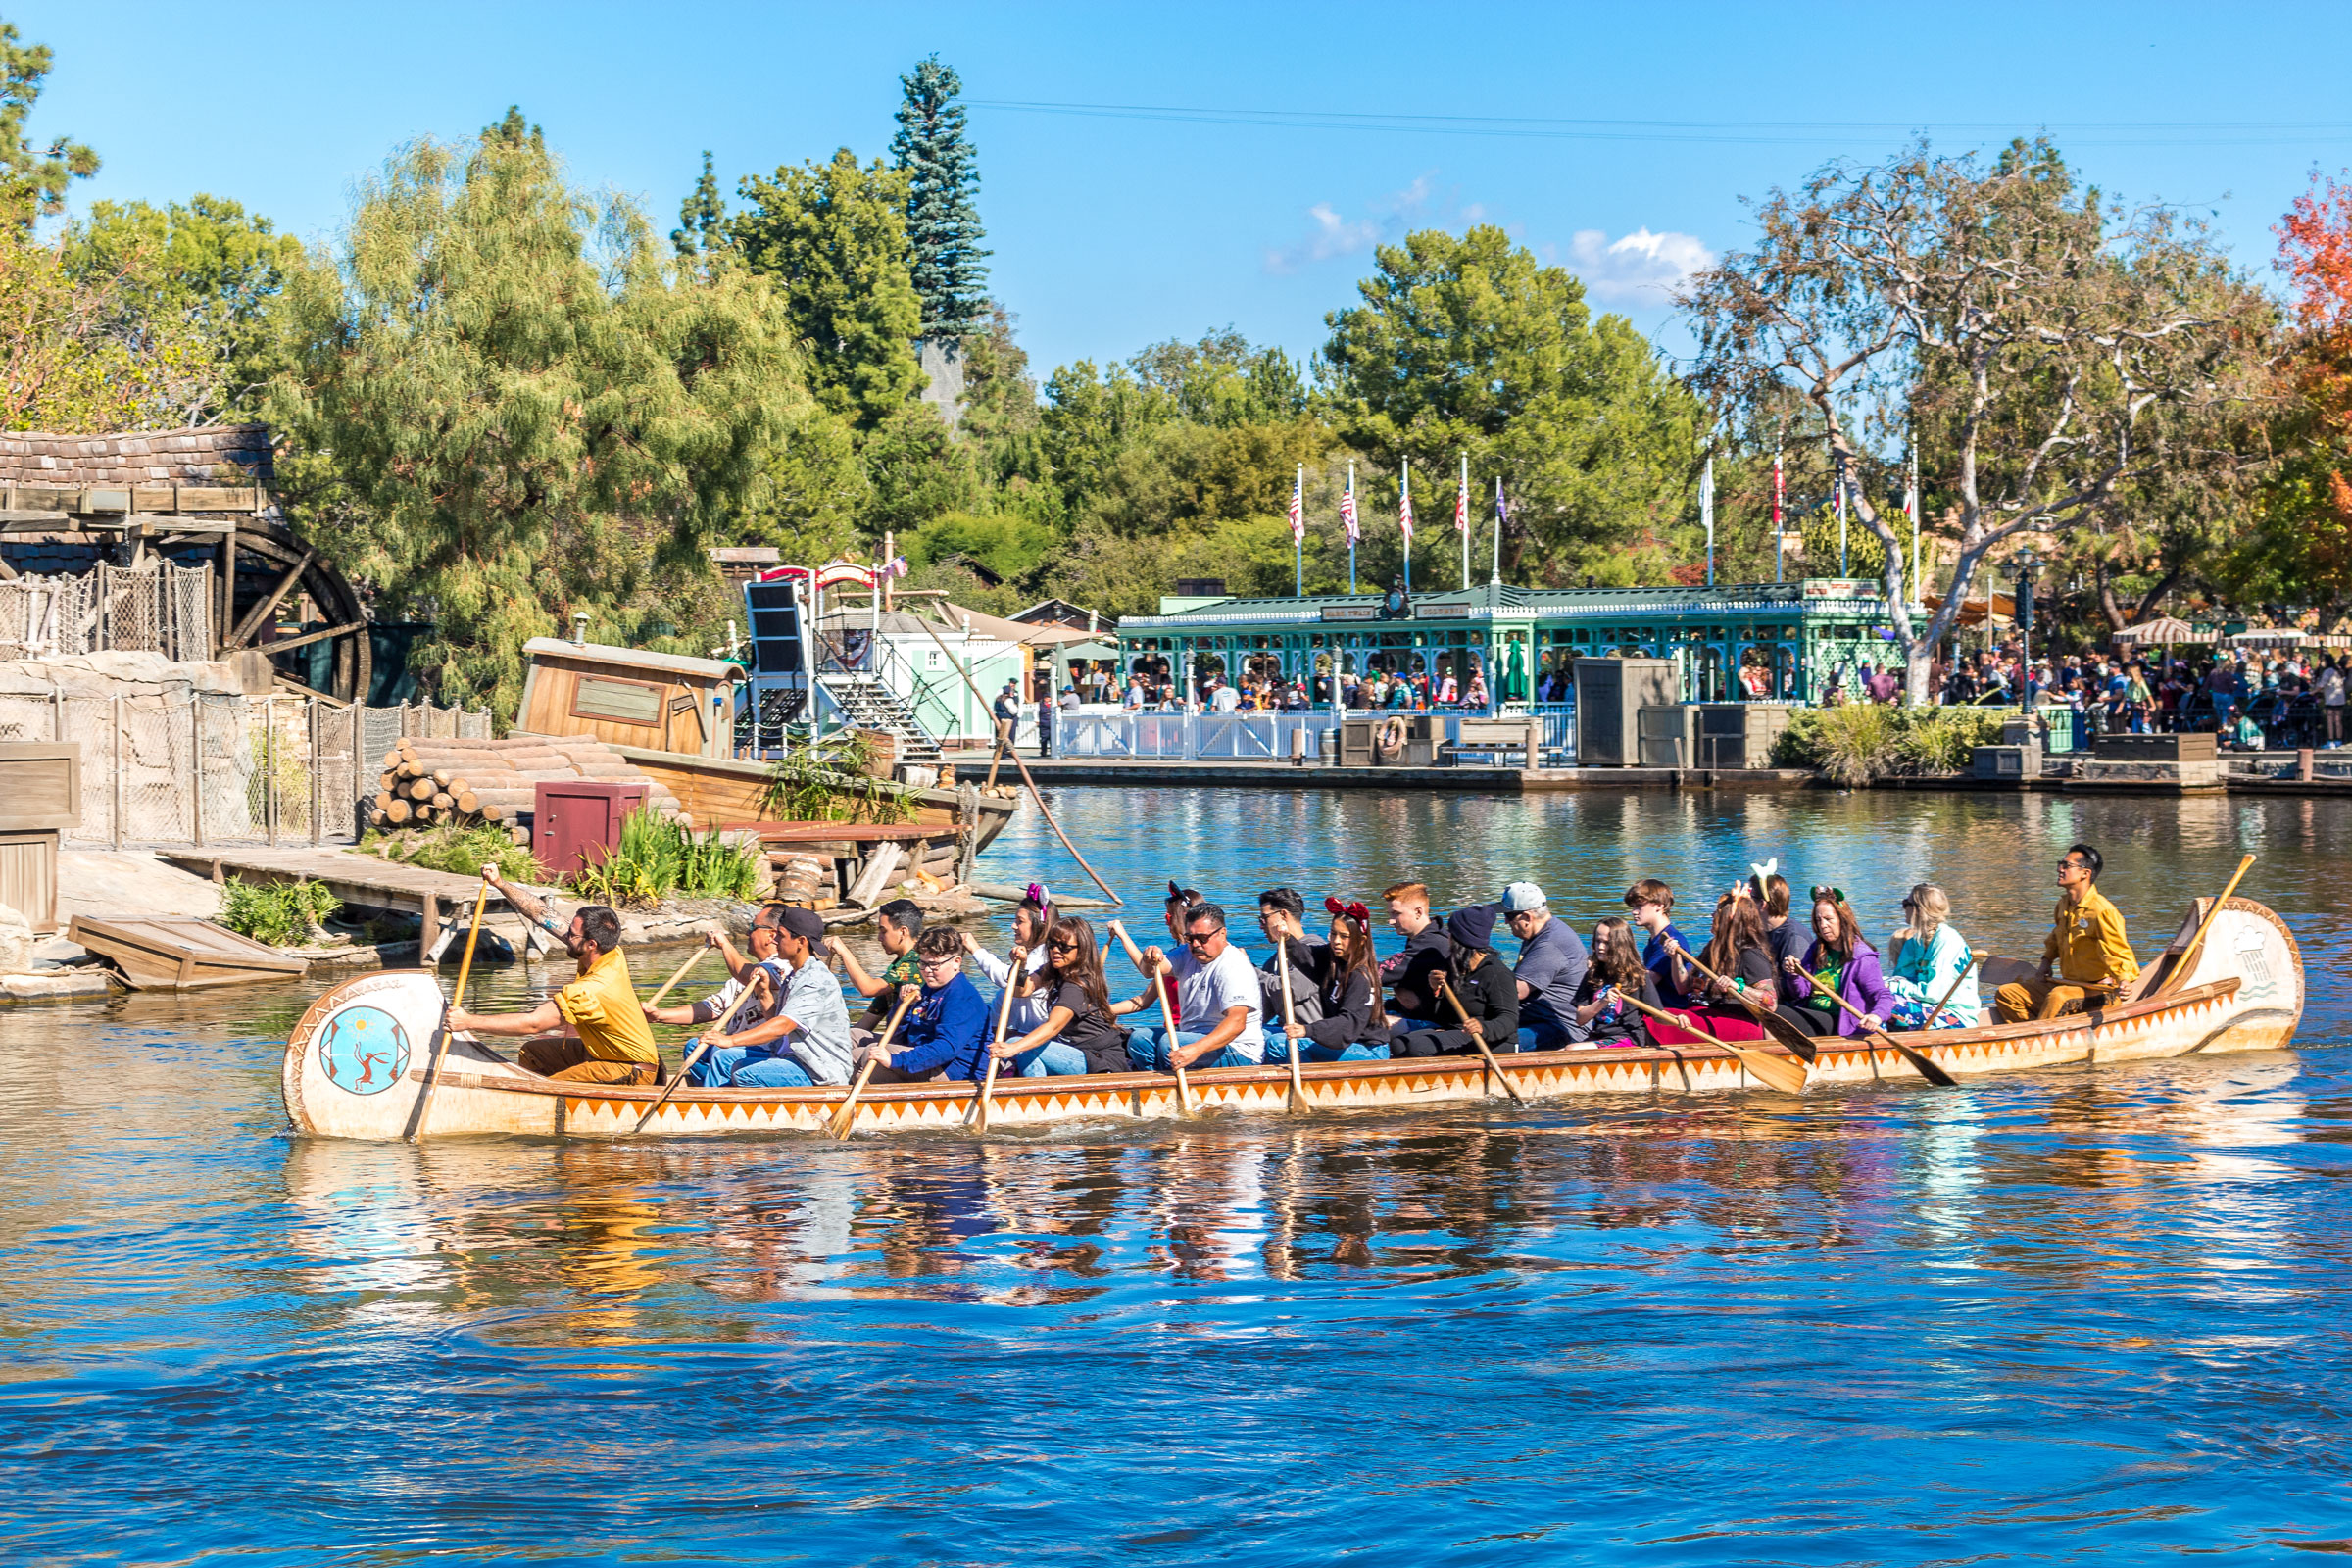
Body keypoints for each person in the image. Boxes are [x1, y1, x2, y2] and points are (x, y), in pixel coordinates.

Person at [447, 900, 660, 1084]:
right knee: (533, 1054)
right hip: (603, 1053)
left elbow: (533, 1024)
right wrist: (500, 883)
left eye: (572, 935)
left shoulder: (592, 989)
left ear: (591, 944)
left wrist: (469, 1022)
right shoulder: (612, 952)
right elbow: (542, 915)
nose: (566, 936)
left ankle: (539, 1105)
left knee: (550, 1088)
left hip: (630, 1068)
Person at [687, 906, 855, 1087]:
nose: (775, 939)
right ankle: (713, 1104)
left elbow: (782, 1026)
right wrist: (764, 992)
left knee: (745, 1075)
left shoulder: (815, 980)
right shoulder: (795, 975)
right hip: (791, 1058)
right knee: (727, 1061)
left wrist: (730, 1040)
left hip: (819, 1070)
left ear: (801, 941)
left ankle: (720, 1108)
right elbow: (776, 1018)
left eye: (781, 935)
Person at [1994, 843, 2138, 1022]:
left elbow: (2118, 950)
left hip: (2100, 991)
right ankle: (2034, 1034)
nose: (2060, 870)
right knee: (2007, 993)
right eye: (2060, 865)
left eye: (2066, 866)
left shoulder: (2102, 910)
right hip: (2070, 984)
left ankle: (2040, 1038)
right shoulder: (2063, 905)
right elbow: (2055, 938)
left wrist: (2124, 980)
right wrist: (2046, 962)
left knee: (2058, 997)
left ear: (2085, 874)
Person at [1120, 902, 1265, 1071]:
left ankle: (1175, 1084)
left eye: (1202, 938)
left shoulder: (1233, 966)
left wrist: (1195, 1050)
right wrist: (1149, 958)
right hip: (1193, 1038)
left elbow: (1237, 1023)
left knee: (1170, 1043)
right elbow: (1150, 972)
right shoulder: (1186, 953)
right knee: (1139, 1040)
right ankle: (1162, 1085)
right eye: (1190, 938)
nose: (1195, 944)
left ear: (1222, 934)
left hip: (1238, 1050)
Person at [995, 915, 1133, 1076]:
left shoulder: (1077, 985)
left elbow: (1053, 1026)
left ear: (1081, 950)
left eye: (1064, 947)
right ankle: (1038, 1091)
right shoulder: (1054, 970)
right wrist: (1021, 966)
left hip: (1100, 1060)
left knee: (1018, 1044)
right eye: (1052, 945)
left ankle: (1037, 1095)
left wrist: (1013, 1048)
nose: (1055, 951)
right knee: (1022, 1046)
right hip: (1074, 1051)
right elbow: (1021, 991)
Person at [642, 906, 788, 1051]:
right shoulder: (739, 979)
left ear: (771, 935)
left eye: (752, 927)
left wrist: (725, 945)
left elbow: (755, 976)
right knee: (694, 1046)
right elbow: (710, 1008)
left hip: (764, 1050)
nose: (747, 932)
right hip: (734, 1048)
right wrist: (658, 1016)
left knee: (720, 1054)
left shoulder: (786, 966)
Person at [1263, 898, 1389, 1063]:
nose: (1336, 941)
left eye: (1344, 936)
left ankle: (1307, 1084)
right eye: (1333, 934)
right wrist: (1287, 939)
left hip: (1367, 1049)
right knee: (1261, 1033)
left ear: (1361, 941)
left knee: (1278, 1043)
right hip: (1347, 1043)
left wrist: (1307, 1030)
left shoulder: (1360, 977)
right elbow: (1307, 956)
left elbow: (1347, 1024)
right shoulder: (1332, 959)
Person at [865, 925, 994, 1083]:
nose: (927, 970)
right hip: (924, 1056)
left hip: (955, 1073)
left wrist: (895, 1061)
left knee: (868, 1055)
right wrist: (903, 1006)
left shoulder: (963, 997)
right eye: (923, 964)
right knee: (853, 1037)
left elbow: (946, 1049)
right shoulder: (928, 989)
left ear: (956, 962)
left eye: (934, 964)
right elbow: (896, 1038)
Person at [1390, 904, 1518, 1058]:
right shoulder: (1451, 967)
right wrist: (1434, 991)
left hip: (1490, 1040)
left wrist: (1483, 1028)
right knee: (1399, 1044)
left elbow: (1509, 1019)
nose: (1447, 937)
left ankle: (1440, 1081)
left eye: (1451, 933)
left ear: (1461, 940)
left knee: (1419, 1048)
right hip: (1455, 1030)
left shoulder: (1496, 973)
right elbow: (1434, 1013)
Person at [1776, 890, 1896, 1039]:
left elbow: (1882, 995)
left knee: (1776, 1012)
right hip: (1813, 1013)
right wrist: (1794, 975)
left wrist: (1876, 1016)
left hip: (1842, 1023)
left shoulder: (1862, 957)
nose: (1823, 925)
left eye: (1828, 919)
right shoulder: (1816, 949)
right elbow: (1801, 993)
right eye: (1818, 920)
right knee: (1771, 1011)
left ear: (1842, 920)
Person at [1665, 891, 1779, 1036]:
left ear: (1731, 920)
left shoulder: (1750, 954)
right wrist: (1676, 959)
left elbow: (1771, 1003)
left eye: (1717, 913)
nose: (1712, 916)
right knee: (1662, 1015)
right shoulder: (1713, 948)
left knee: (1657, 1021)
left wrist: (1737, 987)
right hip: (1704, 1013)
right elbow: (1683, 988)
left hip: (1734, 1021)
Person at [1501, 881, 1588, 1050]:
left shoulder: (1550, 944)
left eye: (1509, 916)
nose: (1505, 921)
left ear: (1527, 917)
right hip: (1532, 1018)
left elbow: (1517, 991)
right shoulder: (1536, 933)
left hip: (1559, 1028)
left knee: (1496, 1045)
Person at [964, 883, 1055, 1042]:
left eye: (1020, 921)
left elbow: (1008, 979)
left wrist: (976, 950)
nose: (1013, 926)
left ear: (1039, 925)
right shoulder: (1033, 952)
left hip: (1028, 1035)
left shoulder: (1044, 956)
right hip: (1007, 1028)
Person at [1886, 883, 1980, 1030]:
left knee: (1887, 1003)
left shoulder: (1947, 940)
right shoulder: (1914, 942)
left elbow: (1934, 994)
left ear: (1918, 909)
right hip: (1928, 1008)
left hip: (1954, 1017)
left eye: (1906, 903)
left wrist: (1890, 984)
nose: (1903, 908)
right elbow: (1903, 977)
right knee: (1877, 997)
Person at [833, 898, 924, 1048]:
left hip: (911, 1046)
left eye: (883, 931)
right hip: (895, 1041)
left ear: (903, 932)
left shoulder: (914, 964)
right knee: (844, 1039)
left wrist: (843, 951)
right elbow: (867, 1023)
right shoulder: (898, 967)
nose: (879, 938)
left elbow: (868, 989)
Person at [1377, 881, 1453, 1036]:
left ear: (1418, 912)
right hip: (1410, 1012)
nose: (1390, 921)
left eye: (1396, 914)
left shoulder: (1430, 945)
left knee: (1360, 1025)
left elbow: (1379, 974)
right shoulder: (1423, 937)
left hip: (1434, 1024)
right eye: (1390, 914)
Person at [1573, 917, 1660, 1048]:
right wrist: (1603, 1001)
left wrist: (1678, 1020)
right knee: (1562, 1052)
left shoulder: (1638, 977)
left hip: (1628, 1039)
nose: (1601, 947)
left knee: (1574, 1049)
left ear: (1620, 945)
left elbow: (1658, 1015)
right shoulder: (1592, 975)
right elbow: (1580, 1019)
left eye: (1607, 943)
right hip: (1598, 1037)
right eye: (1598, 941)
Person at [1255, 887, 1327, 1027]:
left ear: (1283, 915)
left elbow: (1290, 991)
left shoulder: (1315, 951)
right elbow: (1263, 1012)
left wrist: (1249, 970)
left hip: (1312, 1035)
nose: (1261, 926)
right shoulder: (1272, 962)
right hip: (1283, 1031)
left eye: (1264, 918)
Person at [1624, 878, 1691, 1008]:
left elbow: (1646, 983)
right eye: (1633, 906)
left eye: (1639, 905)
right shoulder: (1654, 941)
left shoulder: (1670, 941)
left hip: (1671, 1010)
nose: (1634, 911)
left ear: (1659, 905)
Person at [1747, 865, 1808, 974]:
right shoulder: (1757, 931)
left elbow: (1797, 986)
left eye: (1750, 897)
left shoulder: (1794, 939)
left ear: (1762, 904)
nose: (1746, 903)